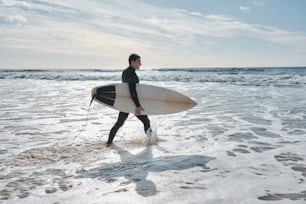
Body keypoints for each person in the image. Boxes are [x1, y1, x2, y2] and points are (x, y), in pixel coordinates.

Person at [106, 54, 152, 146]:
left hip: (127, 102)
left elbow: (129, 90)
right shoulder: (130, 73)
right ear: (132, 62)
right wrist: (137, 105)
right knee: (146, 121)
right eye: (138, 61)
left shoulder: (127, 72)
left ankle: (109, 143)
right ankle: (149, 143)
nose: (140, 63)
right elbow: (132, 90)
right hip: (131, 102)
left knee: (119, 123)